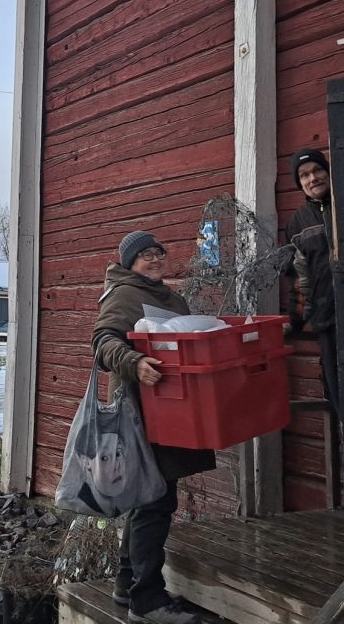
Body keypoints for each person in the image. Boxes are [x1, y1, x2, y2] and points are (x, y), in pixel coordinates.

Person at [92, 229, 215, 624]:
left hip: (174, 409)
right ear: (129, 262)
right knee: (154, 501)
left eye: (158, 252)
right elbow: (102, 342)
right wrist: (135, 363)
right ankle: (147, 602)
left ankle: (127, 585)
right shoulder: (124, 295)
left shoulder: (171, 297)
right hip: (142, 411)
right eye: (145, 254)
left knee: (151, 495)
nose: (155, 259)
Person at [285, 148, 339, 415]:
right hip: (327, 318)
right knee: (339, 392)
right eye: (304, 175)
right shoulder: (298, 223)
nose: (312, 178)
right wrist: (293, 322)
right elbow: (299, 279)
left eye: (317, 170)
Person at [73, 415, 126, 516]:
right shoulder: (83, 505)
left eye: (118, 454)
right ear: (86, 461)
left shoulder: (124, 503)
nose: (116, 466)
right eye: (105, 458)